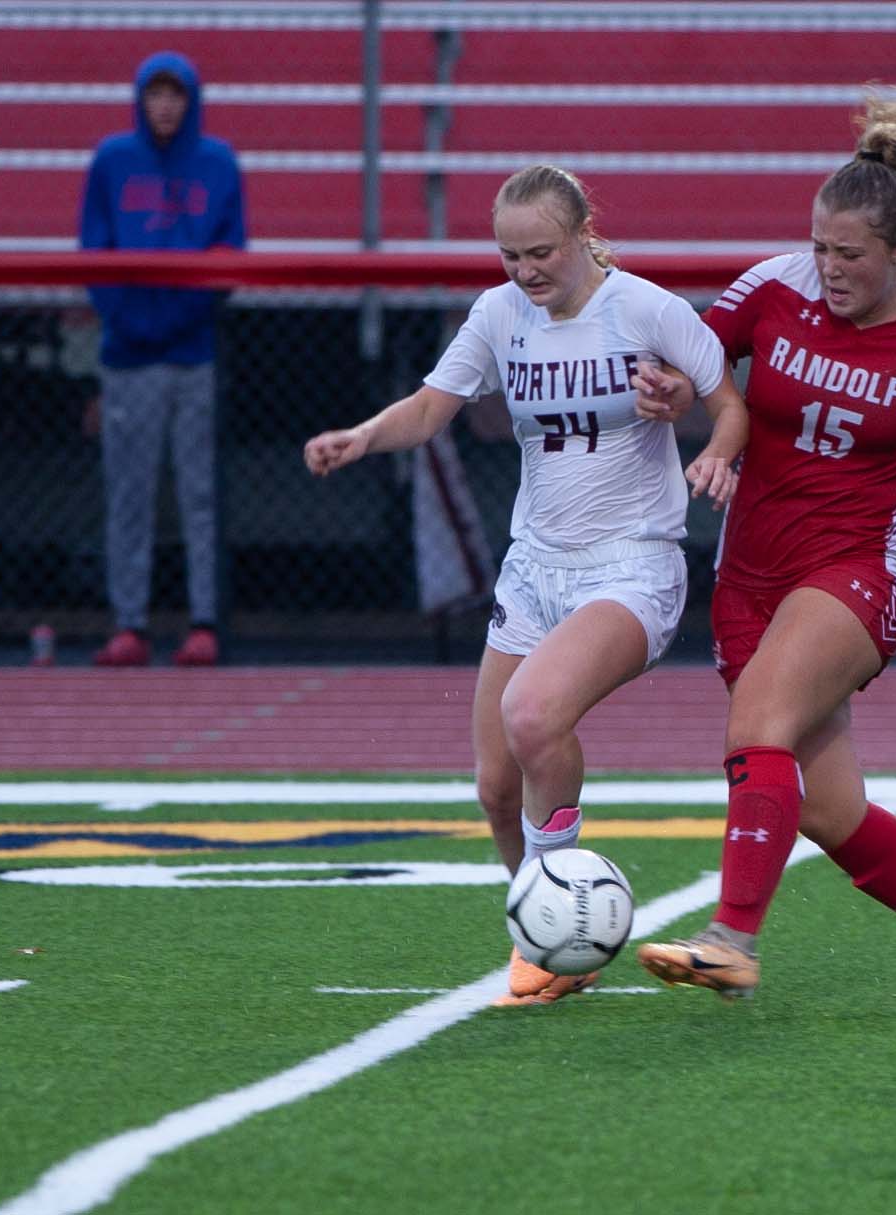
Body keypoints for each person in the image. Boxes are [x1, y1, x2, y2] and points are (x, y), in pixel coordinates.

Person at [303, 164, 748, 1007]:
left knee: (535, 715)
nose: (525, 271)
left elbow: (732, 406)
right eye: (509, 255)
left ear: (583, 233)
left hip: (631, 563)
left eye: (540, 251)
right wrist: (361, 436)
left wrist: (710, 441)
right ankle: (551, 925)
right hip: (533, 568)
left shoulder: (647, 309)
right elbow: (432, 407)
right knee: (496, 785)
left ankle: (560, 933)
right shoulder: (500, 314)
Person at [633, 98, 896, 1011]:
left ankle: (731, 939)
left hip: (857, 570)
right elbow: (697, 356)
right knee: (827, 807)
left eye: (849, 253)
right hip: (751, 572)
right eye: (820, 247)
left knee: (756, 732)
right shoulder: (776, 285)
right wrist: (662, 384)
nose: (829, 268)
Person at [78, 51, 246, 667]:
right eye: (156, 93)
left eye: (176, 93)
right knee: (129, 493)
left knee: (199, 493)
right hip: (127, 355)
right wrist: (136, 321)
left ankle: (204, 620)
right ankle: (131, 622)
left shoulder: (218, 163)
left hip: (192, 350)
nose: (166, 105)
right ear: (141, 99)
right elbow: (94, 253)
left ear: (191, 99)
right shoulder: (112, 161)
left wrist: (177, 318)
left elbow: (231, 252)